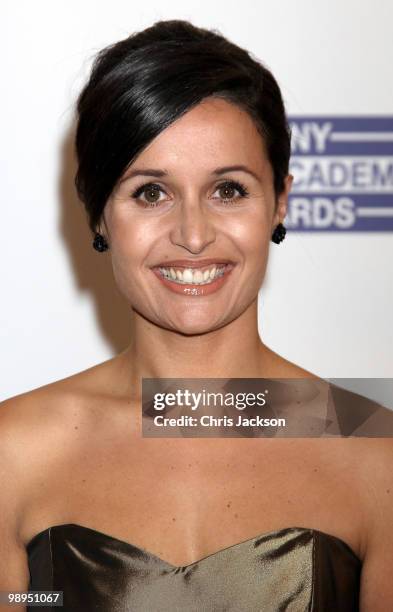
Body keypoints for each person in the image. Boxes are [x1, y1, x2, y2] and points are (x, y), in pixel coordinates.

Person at [1, 18, 392, 612]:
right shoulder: (15, 453)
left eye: (228, 190)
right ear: (100, 215)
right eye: (150, 193)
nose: (192, 235)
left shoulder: (376, 455)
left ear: (280, 201)